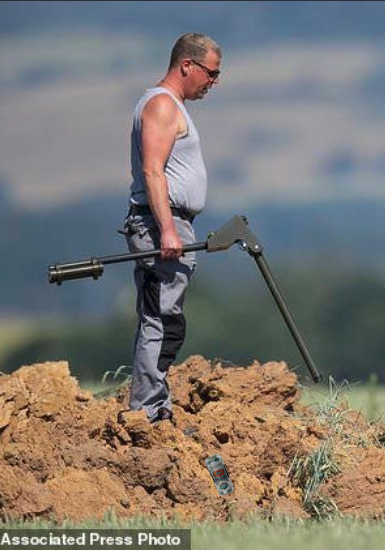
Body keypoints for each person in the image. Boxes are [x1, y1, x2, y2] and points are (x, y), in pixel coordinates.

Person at [122, 33, 222, 424]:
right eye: (212, 73)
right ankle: (147, 412)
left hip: (174, 222)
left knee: (167, 318)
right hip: (161, 223)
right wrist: (167, 229)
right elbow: (152, 170)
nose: (214, 81)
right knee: (161, 319)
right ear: (187, 66)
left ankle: (154, 403)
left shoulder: (172, 105)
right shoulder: (163, 105)